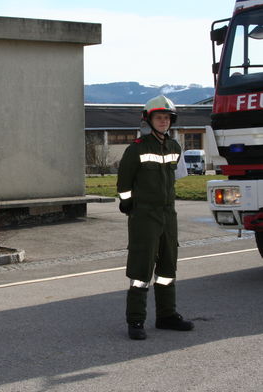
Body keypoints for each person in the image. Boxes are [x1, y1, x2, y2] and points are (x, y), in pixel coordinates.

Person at [117, 95, 195, 340]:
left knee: (167, 269)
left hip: (168, 215)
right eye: (158, 117)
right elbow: (123, 184)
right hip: (144, 216)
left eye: (167, 118)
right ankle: (136, 321)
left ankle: (166, 316)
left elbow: (176, 178)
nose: (163, 121)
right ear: (148, 120)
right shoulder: (136, 149)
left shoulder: (175, 147)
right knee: (141, 270)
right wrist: (130, 205)